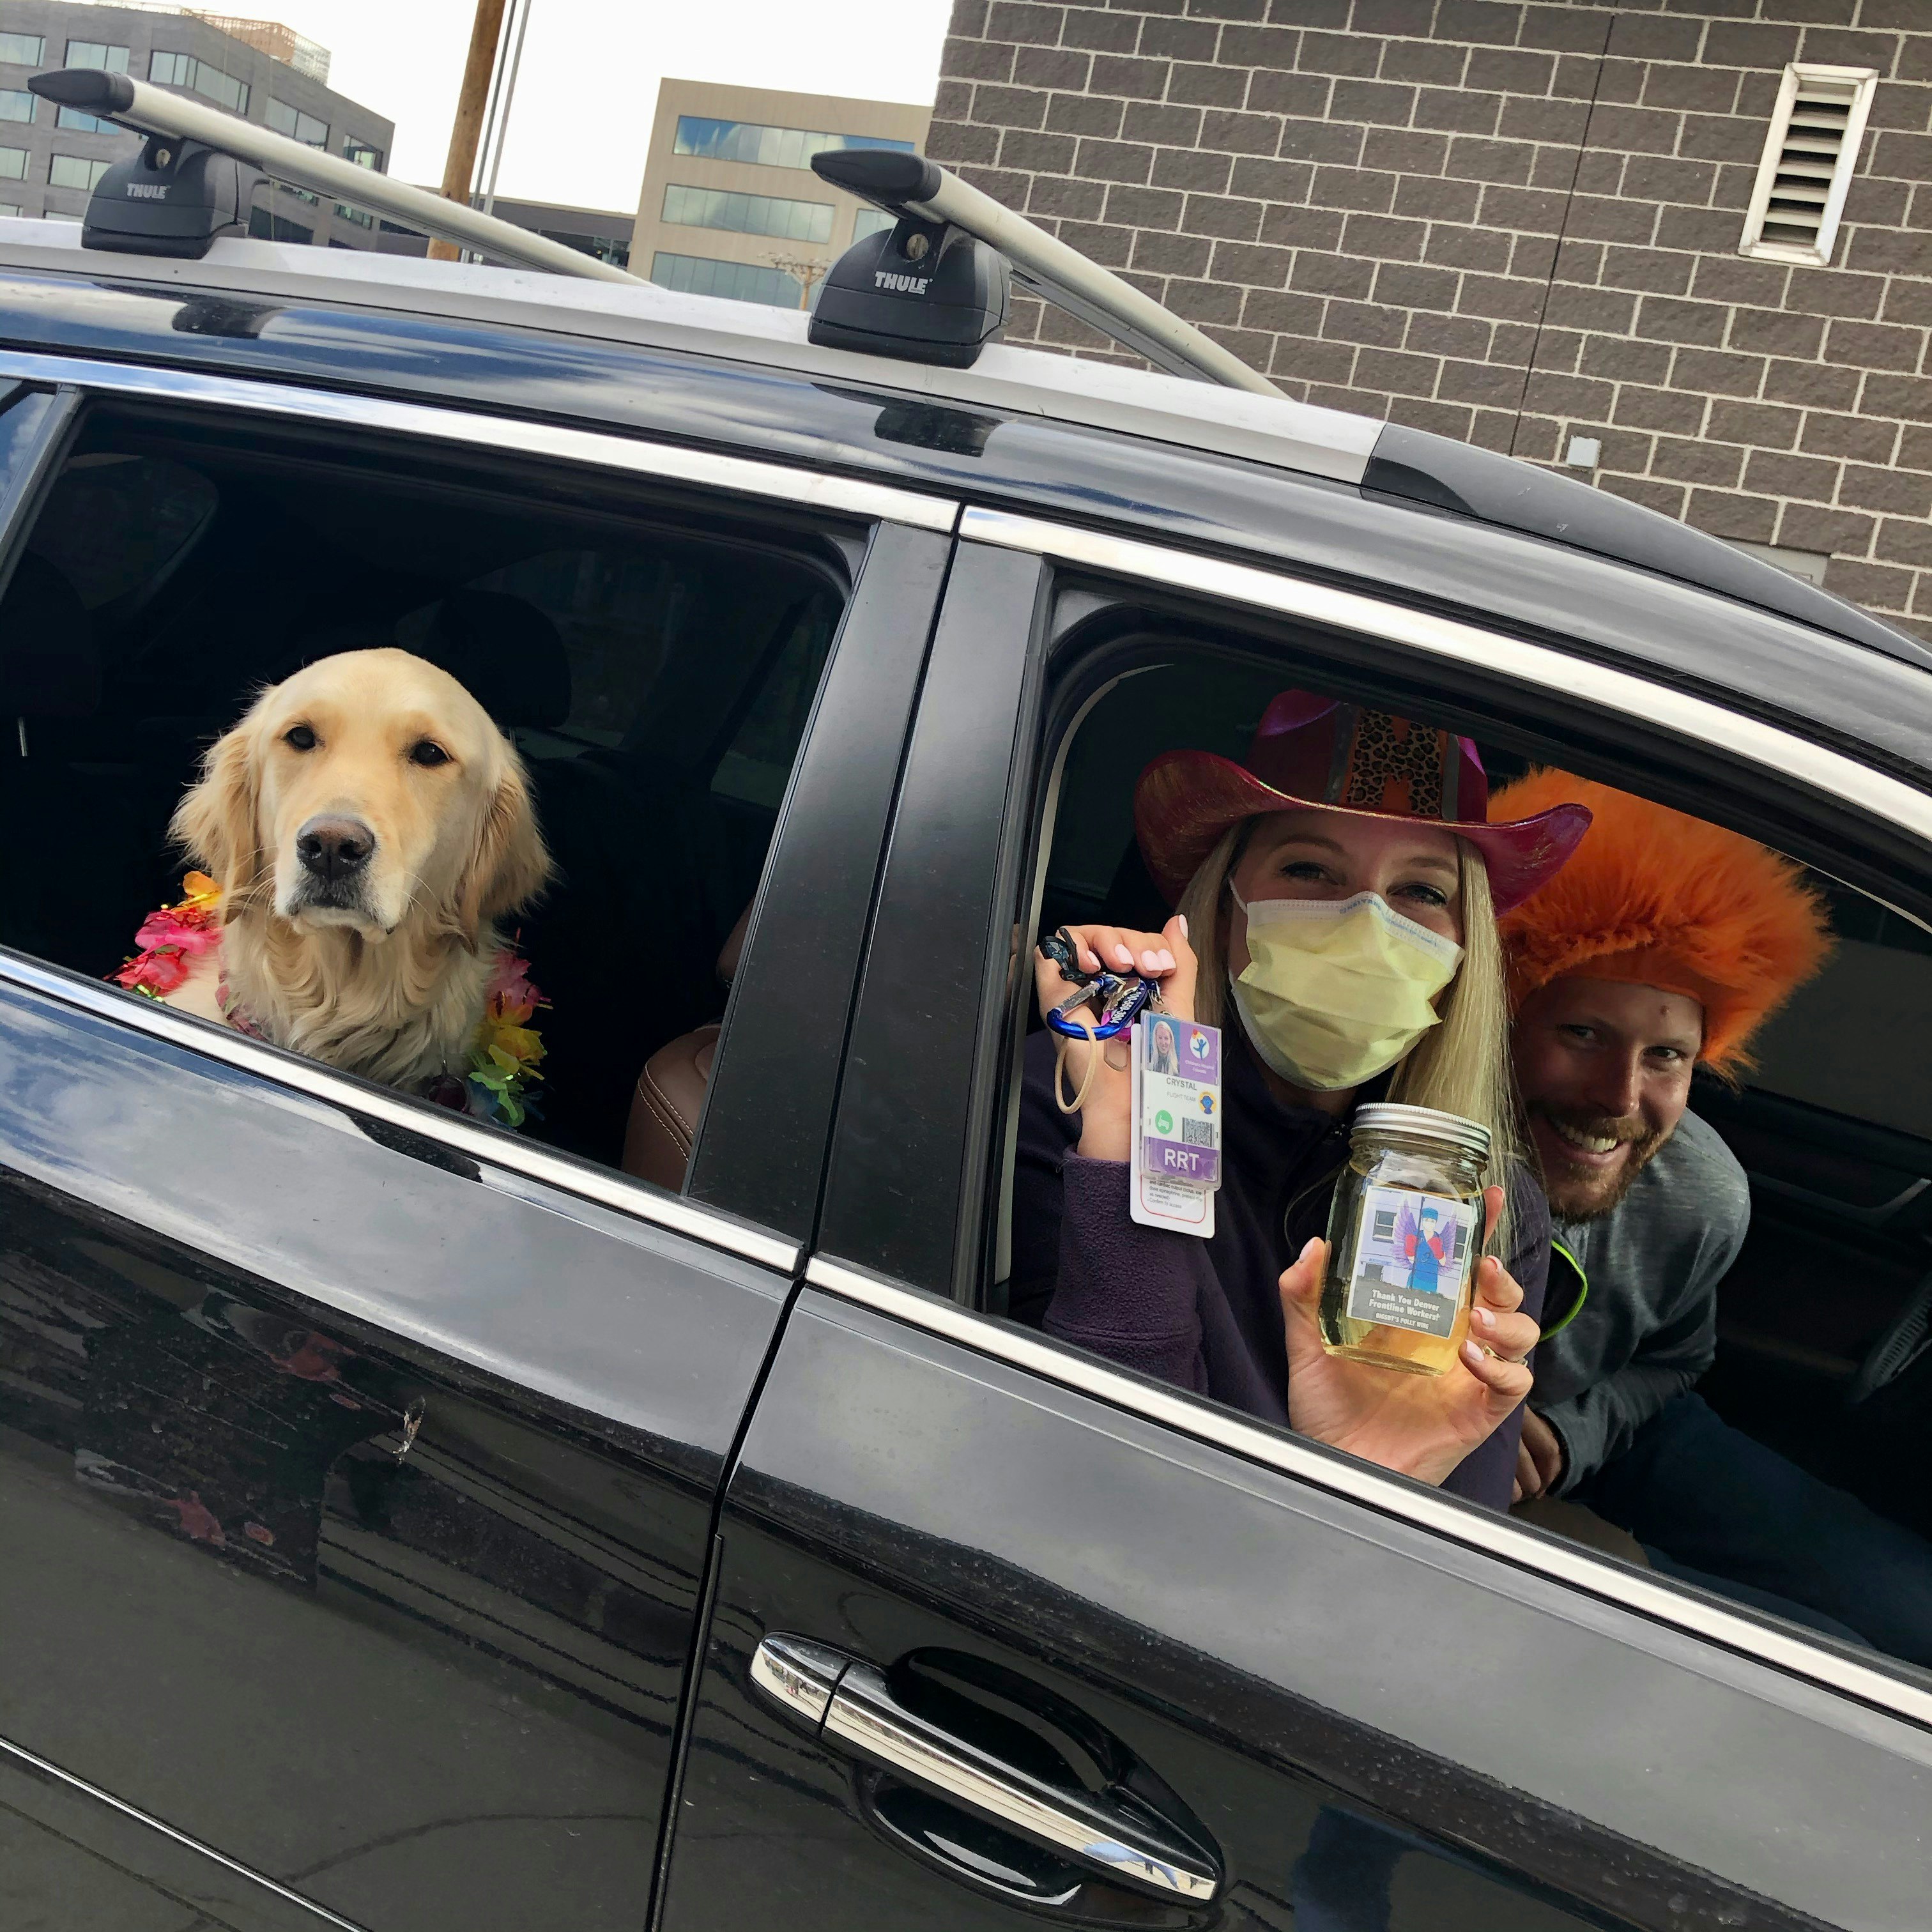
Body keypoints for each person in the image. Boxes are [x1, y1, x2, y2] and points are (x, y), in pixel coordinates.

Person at [1011, 691, 1593, 1510]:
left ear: (1466, 948)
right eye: (1310, 871)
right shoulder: (1071, 1095)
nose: (1367, 925)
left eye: (1423, 892)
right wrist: (1129, 1133)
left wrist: (1373, 1481)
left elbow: (1444, 1561)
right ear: (1221, 911)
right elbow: (1104, 1491)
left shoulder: (1487, 1203)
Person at [1496, 772, 1932, 1662]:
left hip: (1610, 1427)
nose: (1620, 1099)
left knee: (1910, 1617)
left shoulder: (1703, 1190)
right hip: (1439, 1451)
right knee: (1819, 1671)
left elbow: (1676, 1358)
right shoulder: (1407, 1159)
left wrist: (1568, 1433)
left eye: (1666, 1056)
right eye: (1582, 1033)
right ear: (1503, 1018)